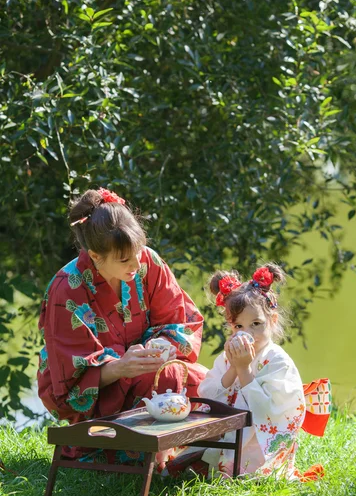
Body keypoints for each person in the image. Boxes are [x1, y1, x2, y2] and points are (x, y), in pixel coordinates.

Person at [37, 187, 206, 460]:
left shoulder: (149, 262)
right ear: (95, 256)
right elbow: (67, 380)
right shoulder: (66, 288)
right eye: (125, 259)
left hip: (147, 372)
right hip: (100, 391)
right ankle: (155, 452)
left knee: (210, 384)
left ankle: (177, 449)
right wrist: (120, 367)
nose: (136, 263)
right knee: (168, 383)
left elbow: (180, 319)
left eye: (138, 251)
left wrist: (161, 344)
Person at [196, 264, 330, 480]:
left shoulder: (278, 360)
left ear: (272, 320)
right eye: (238, 326)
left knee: (249, 466)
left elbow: (275, 410)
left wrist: (244, 369)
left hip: (259, 443)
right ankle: (221, 464)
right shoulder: (228, 355)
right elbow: (208, 395)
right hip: (229, 433)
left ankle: (249, 471)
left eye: (256, 324)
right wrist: (232, 368)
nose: (247, 333)